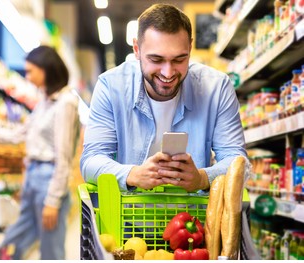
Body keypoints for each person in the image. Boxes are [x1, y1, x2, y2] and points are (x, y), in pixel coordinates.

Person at [80, 4, 247, 192]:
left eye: (179, 59)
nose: (168, 73)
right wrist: (132, 174)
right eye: (156, 60)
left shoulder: (217, 87)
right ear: (137, 49)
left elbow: (238, 162)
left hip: (194, 217)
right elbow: (91, 161)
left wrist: (202, 178)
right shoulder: (111, 87)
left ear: (190, 48)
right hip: (128, 217)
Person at [0, 45, 80, 260]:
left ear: (46, 69)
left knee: (51, 250)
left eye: (30, 71)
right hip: (33, 176)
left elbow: (63, 157)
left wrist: (53, 200)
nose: (27, 76)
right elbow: (18, 135)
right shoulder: (44, 102)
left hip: (49, 179)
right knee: (16, 238)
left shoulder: (66, 102)